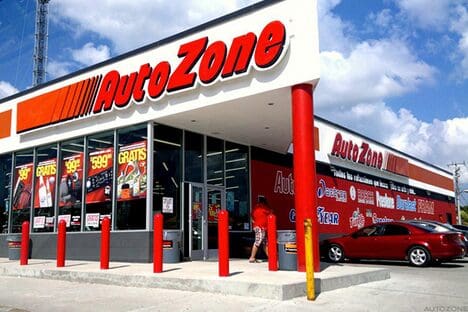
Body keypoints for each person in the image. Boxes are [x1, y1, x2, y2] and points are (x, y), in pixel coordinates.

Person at [249, 196, 272, 263]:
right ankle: (252, 257)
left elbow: (251, 216)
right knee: (258, 241)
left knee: (264, 243)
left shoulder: (256, 208)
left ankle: (270, 258)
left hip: (257, 226)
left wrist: (254, 222)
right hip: (261, 227)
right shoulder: (265, 208)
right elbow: (271, 214)